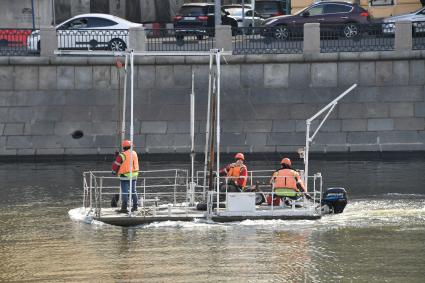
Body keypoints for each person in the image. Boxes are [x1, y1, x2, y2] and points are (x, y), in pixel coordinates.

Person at [111, 139, 139, 213]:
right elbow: (128, 158)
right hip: (134, 175)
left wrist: (114, 172)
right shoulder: (134, 153)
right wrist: (119, 155)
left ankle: (124, 208)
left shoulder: (121, 155)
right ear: (131, 147)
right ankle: (135, 206)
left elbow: (116, 165)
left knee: (125, 192)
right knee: (133, 191)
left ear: (123, 147)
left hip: (124, 176)